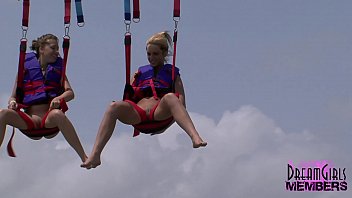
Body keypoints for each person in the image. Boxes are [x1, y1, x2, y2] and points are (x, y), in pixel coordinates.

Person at [82, 31, 207, 169]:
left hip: (159, 113)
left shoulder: (173, 74)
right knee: (113, 106)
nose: (151, 58)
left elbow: (181, 104)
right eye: (149, 54)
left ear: (164, 54)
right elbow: (127, 98)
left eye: (155, 54)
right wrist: (133, 80)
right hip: (138, 115)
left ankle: (195, 137)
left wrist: (166, 127)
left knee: (171, 97)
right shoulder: (140, 73)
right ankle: (95, 154)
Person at [0, 34, 87, 163]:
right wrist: (12, 102)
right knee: (3, 113)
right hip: (30, 122)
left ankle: (84, 157)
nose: (57, 52)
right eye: (53, 48)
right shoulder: (25, 68)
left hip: (49, 121)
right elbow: (13, 96)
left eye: (58, 49)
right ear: (41, 49)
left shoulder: (58, 70)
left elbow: (70, 93)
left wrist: (59, 98)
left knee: (58, 114)